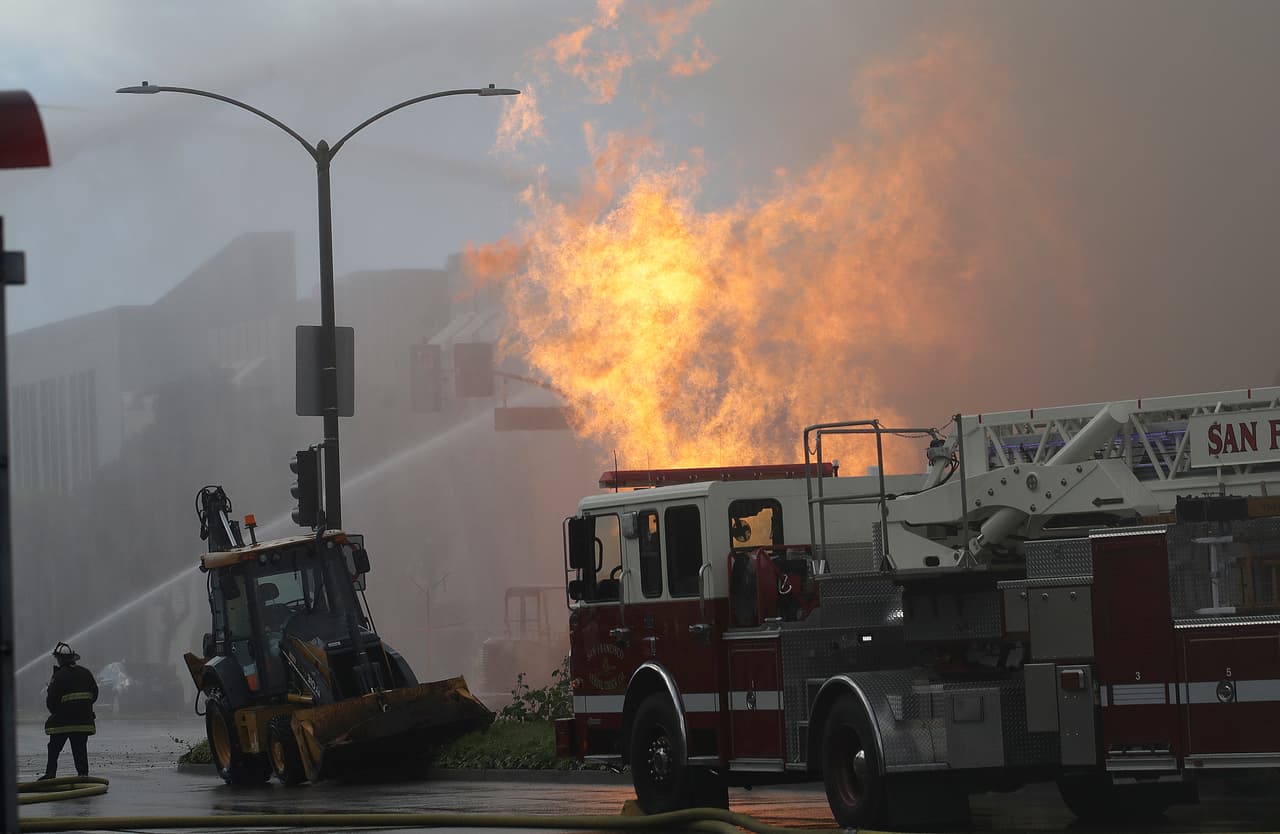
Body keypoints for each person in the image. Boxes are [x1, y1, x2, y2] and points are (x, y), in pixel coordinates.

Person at [39, 642, 98, 780]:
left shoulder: (58, 676)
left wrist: (57, 711)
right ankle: (83, 774)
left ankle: (50, 774)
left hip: (62, 722)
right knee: (80, 749)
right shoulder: (86, 673)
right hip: (83, 721)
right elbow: (94, 694)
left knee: (54, 748)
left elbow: (51, 702)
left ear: (60, 659)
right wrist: (84, 707)